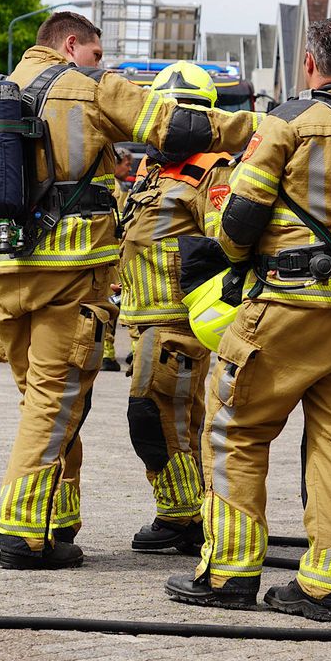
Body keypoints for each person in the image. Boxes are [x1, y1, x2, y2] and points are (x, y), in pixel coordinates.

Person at [0, 12, 256, 570]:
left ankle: (58, 521)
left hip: (8, 283)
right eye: (96, 54)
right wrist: (262, 128)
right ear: (71, 45)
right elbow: (174, 127)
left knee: (52, 404)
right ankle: (23, 535)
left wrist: (3, 254)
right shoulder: (88, 89)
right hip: (70, 279)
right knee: (52, 405)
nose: (101, 64)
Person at [165, 19, 331, 622]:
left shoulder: (287, 121)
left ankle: (229, 574)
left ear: (310, 65)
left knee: (234, 430)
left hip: (290, 307)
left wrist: (227, 254)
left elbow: (241, 217)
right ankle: (323, 586)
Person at [117, 61, 242, 555]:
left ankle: (181, 514)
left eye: (183, 113)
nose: (172, 124)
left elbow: (226, 244)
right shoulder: (150, 169)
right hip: (143, 317)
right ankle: (191, 515)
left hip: (179, 319)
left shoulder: (215, 170)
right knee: (178, 420)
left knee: (151, 414)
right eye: (165, 112)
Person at [101, 148, 134, 373]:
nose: (129, 169)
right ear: (115, 163)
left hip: (101, 253)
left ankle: (106, 354)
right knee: (116, 301)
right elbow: (122, 223)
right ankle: (110, 354)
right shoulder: (118, 189)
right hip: (115, 255)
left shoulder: (101, 184)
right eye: (126, 164)